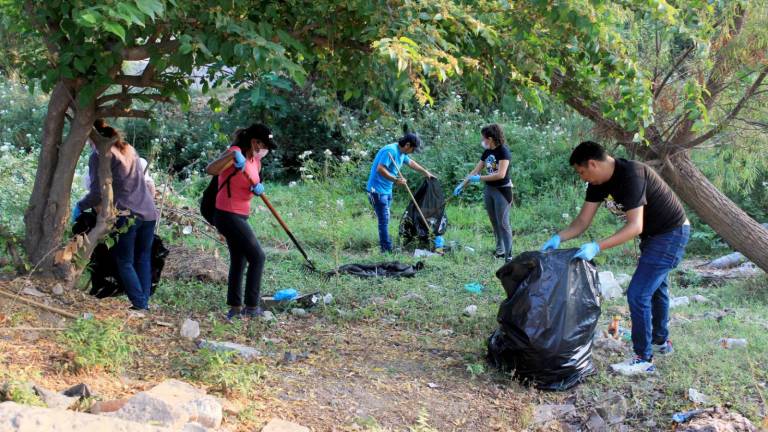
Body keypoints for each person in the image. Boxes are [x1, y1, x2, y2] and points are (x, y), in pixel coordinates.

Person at [541, 141, 690, 374]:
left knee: (638, 293)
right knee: (657, 288)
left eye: (582, 172)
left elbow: (634, 226)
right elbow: (582, 222)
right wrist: (558, 238)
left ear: (592, 163)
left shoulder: (632, 174)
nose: (582, 178)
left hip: (671, 233)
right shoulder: (598, 182)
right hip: (653, 236)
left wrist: (597, 246)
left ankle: (643, 358)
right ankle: (661, 343)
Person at [73, 123, 158, 311]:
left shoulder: (98, 155)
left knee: (124, 261)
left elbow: (96, 192)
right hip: (149, 212)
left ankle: (140, 303)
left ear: (92, 137)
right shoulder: (128, 148)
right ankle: (144, 303)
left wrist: (80, 206)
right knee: (143, 258)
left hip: (127, 213)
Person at [205, 123, 276, 320]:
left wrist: (257, 188)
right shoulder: (235, 152)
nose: (266, 151)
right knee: (258, 257)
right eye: (265, 146)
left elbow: (250, 183)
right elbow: (210, 169)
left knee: (240, 259)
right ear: (255, 142)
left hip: (241, 214)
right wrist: (230, 157)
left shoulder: (255, 161)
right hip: (227, 214)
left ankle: (235, 308)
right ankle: (252, 307)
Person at [365, 132, 434, 253]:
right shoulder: (390, 151)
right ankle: (386, 250)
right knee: (384, 219)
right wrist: (396, 180)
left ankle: (386, 245)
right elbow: (380, 169)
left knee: (386, 218)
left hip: (386, 190)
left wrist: (425, 172)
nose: (412, 152)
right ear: (407, 145)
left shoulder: (402, 152)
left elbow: (411, 163)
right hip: (376, 190)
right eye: (413, 149)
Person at [453, 124, 514, 260]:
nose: (482, 140)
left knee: (503, 224)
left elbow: (501, 174)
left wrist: (479, 178)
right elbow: (475, 171)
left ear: (490, 138)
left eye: (483, 138)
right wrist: (462, 185)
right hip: (489, 190)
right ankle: (500, 251)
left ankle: (509, 255)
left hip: (502, 191)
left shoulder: (503, 152)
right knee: (494, 222)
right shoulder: (487, 152)